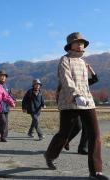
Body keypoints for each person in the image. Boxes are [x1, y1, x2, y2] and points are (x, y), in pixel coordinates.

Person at [44, 32, 109, 180]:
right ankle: (49, 155)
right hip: (69, 102)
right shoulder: (64, 60)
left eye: (82, 42)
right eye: (77, 42)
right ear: (70, 45)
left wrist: (86, 97)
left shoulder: (82, 62)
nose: (80, 44)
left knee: (95, 134)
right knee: (64, 134)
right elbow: (67, 80)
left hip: (87, 101)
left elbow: (85, 84)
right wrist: (76, 95)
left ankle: (96, 171)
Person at [64, 64, 99, 155]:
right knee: (77, 127)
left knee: (86, 127)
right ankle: (65, 141)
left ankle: (82, 148)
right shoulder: (71, 82)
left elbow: (95, 79)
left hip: (85, 107)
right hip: (74, 107)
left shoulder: (85, 82)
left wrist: (90, 69)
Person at [0, 70, 14, 142]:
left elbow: (9, 95)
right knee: (1, 122)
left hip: (6, 107)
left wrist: (13, 100)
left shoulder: (7, 86)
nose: (3, 77)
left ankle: (3, 136)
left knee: (5, 123)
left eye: (5, 76)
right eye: (2, 76)